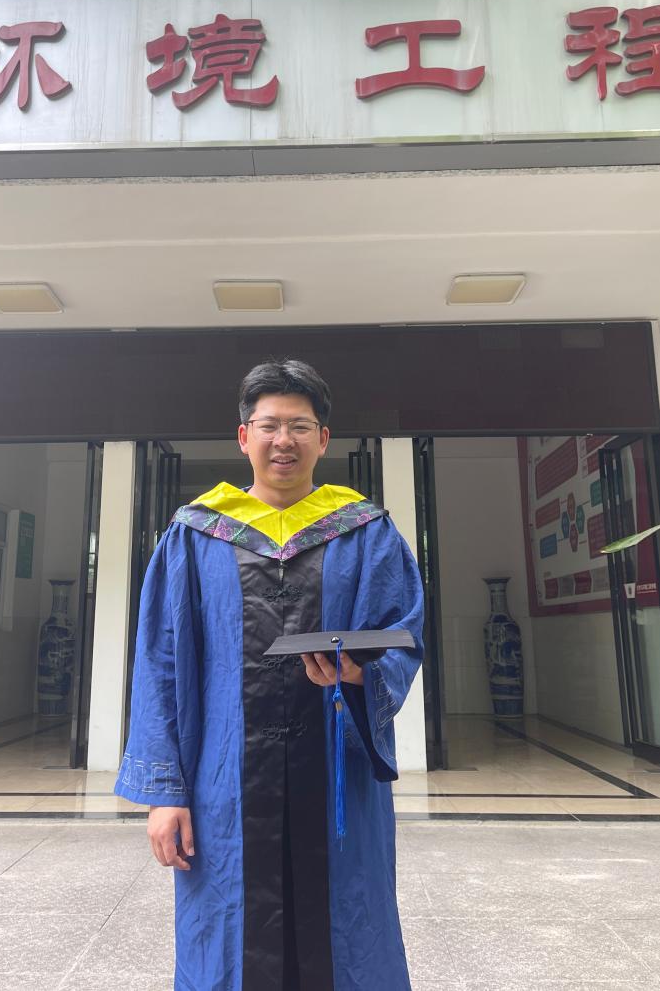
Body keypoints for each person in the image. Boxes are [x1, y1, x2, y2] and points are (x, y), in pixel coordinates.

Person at [114, 359, 424, 991]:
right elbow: (160, 665)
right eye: (270, 426)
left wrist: (358, 676)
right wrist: (165, 793)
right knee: (226, 933)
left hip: (336, 777)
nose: (285, 441)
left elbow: (402, 633)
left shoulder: (366, 531)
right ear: (244, 436)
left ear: (323, 439)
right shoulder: (194, 534)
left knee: (347, 926)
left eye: (300, 427)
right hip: (222, 780)